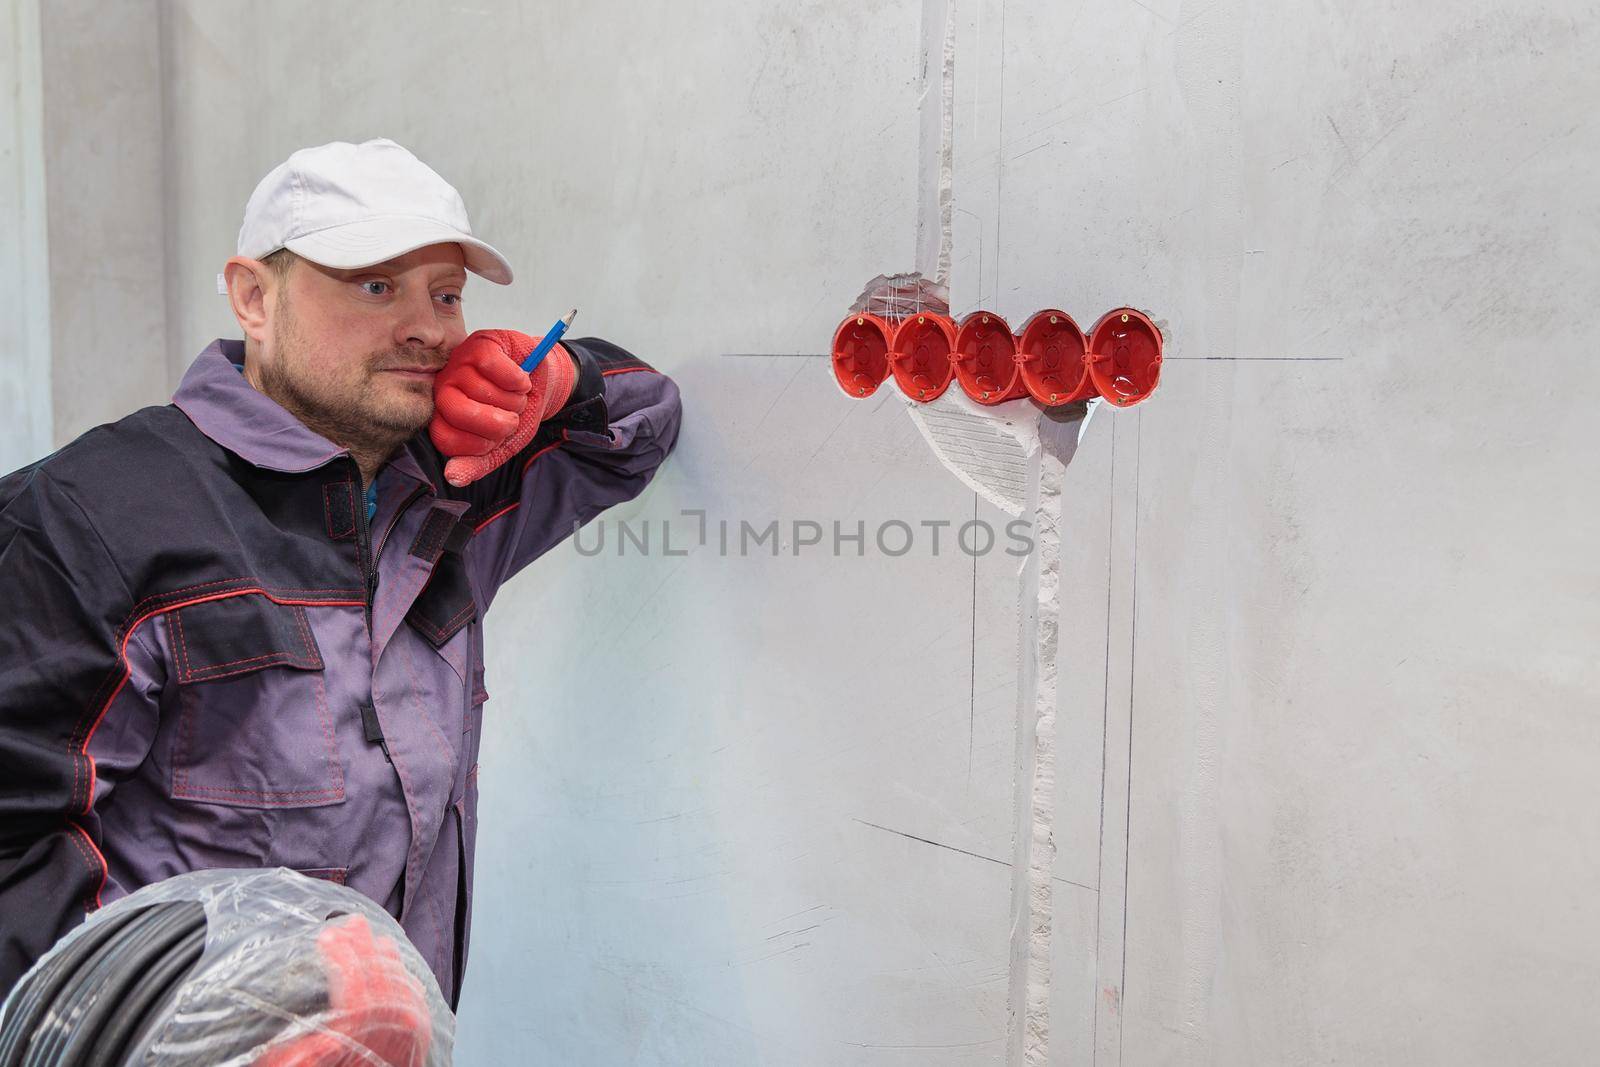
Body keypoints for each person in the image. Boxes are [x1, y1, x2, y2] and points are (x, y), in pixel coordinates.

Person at [0, 138, 683, 1006]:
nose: (428, 328)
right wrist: (169, 1030)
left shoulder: (450, 495)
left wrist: (558, 376)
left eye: (446, 295)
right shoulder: (86, 513)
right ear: (254, 296)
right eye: (375, 285)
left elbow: (642, 422)